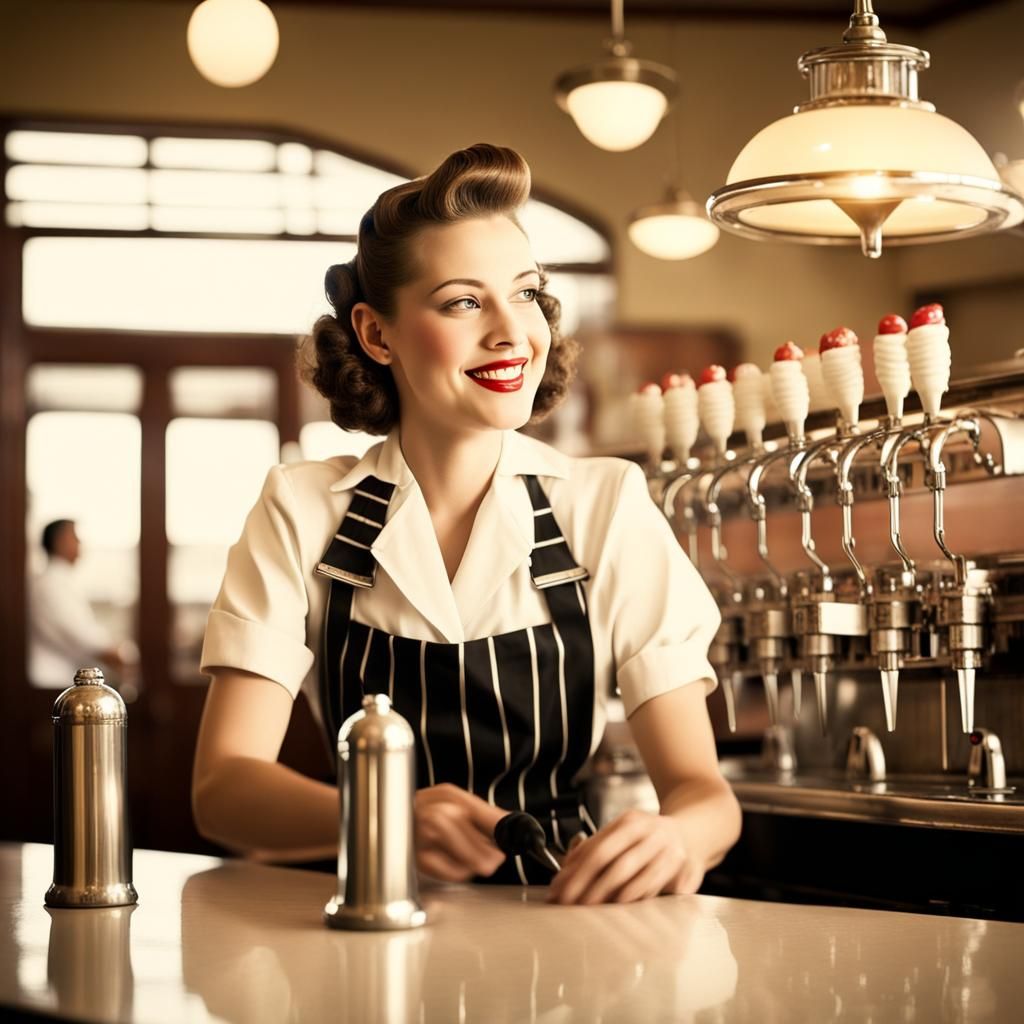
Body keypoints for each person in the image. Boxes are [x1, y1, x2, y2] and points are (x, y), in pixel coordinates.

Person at [193, 143, 741, 904]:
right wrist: (378, 814)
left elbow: (704, 796)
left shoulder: (605, 505)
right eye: (463, 302)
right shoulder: (301, 508)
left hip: (561, 933)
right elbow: (223, 788)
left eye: (525, 293)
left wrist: (679, 836)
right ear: (378, 335)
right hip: (365, 930)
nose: (513, 333)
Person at [28, 519, 127, 688]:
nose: (80, 542)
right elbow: (81, 634)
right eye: (75, 536)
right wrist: (120, 655)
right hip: (54, 681)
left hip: (62, 678)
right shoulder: (51, 582)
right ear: (60, 542)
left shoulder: (60, 579)